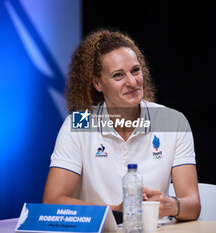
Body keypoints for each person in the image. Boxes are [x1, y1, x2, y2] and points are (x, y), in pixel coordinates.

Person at [43, 29, 201, 221]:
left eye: (136, 70)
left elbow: (193, 206)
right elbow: (52, 201)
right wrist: (116, 211)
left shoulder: (173, 121)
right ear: (98, 83)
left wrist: (171, 205)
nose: (132, 82)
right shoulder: (78, 123)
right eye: (118, 75)